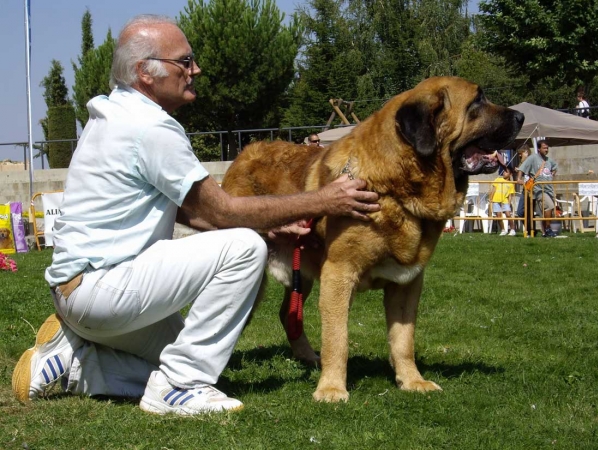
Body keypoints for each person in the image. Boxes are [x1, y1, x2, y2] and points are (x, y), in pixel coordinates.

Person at [12, 15, 380, 416]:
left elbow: (196, 214)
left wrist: (271, 229)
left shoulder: (113, 114)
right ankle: (178, 387)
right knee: (243, 248)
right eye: (184, 62)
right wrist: (324, 200)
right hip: (100, 291)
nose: (196, 70)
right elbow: (222, 211)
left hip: (82, 291)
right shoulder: (150, 128)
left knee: (177, 355)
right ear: (145, 73)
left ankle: (74, 365)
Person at [516, 140, 559, 237]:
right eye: (544, 148)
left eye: (547, 148)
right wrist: (519, 179)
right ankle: (547, 229)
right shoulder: (533, 158)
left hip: (549, 188)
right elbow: (522, 167)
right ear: (539, 149)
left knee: (547, 211)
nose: (546, 150)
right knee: (549, 206)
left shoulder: (548, 160)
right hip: (539, 189)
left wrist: (553, 172)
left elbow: (555, 166)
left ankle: (544, 231)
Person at [489, 167, 516, 236]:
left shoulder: (511, 184)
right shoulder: (498, 179)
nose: (504, 173)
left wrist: (509, 203)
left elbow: (510, 195)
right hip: (496, 200)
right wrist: (491, 198)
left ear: (510, 174)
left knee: (508, 214)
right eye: (504, 171)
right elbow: (494, 189)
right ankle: (503, 230)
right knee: (498, 216)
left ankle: (512, 229)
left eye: (506, 172)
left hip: (505, 200)